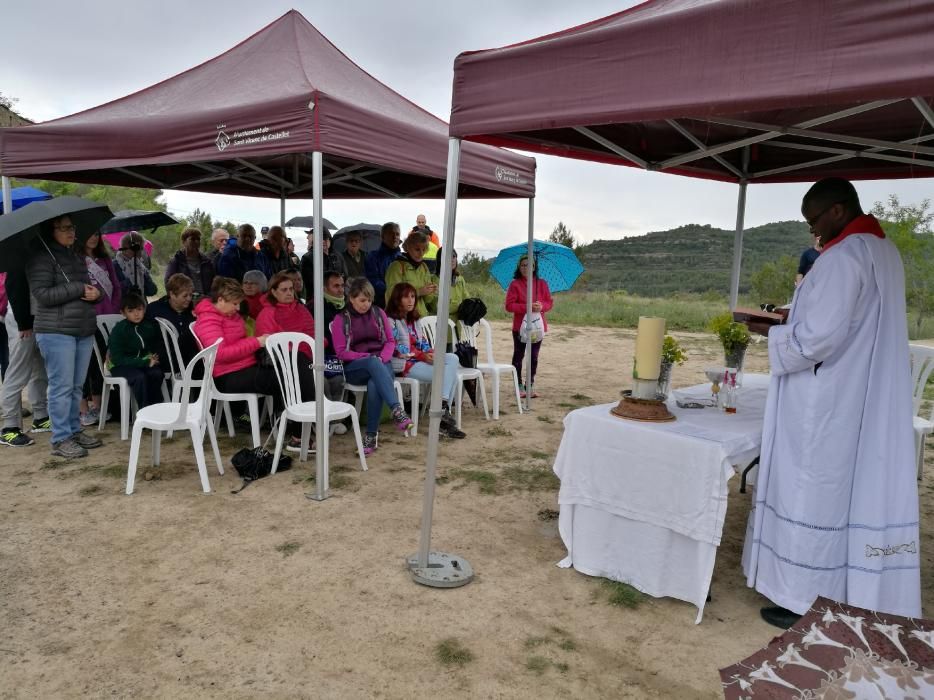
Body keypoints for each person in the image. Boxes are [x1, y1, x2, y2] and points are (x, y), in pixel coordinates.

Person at [742, 178, 921, 628]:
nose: (814, 233)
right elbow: (848, 320)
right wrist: (795, 316)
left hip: (825, 400)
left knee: (812, 491)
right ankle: (844, 586)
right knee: (845, 492)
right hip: (860, 390)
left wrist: (774, 333)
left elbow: (818, 338)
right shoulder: (881, 251)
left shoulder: (842, 258)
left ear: (838, 210)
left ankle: (803, 597)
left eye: (815, 221)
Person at [193, 277, 312, 452]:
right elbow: (221, 354)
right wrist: (257, 343)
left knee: (295, 364)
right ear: (220, 300)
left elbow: (237, 343)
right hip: (228, 376)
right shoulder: (208, 321)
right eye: (234, 304)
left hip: (243, 367)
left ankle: (295, 427)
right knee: (288, 377)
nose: (238, 308)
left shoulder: (228, 315)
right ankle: (299, 432)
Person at [27, 214, 103, 458]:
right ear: (51, 231)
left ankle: (73, 430)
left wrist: (96, 295)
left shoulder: (75, 256)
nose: (71, 232)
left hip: (81, 328)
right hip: (55, 331)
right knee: (61, 386)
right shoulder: (40, 257)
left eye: (72, 228)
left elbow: (88, 288)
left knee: (76, 386)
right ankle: (60, 438)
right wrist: (79, 289)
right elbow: (43, 295)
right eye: (65, 228)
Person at [330, 278, 413, 455]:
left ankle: (371, 436)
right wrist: (368, 357)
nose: (366, 304)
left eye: (369, 300)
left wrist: (382, 358)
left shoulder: (379, 313)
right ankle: (397, 410)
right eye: (362, 300)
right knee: (373, 366)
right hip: (355, 366)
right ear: (351, 298)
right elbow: (341, 353)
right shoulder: (341, 319)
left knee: (375, 383)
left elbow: (390, 341)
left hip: (382, 362)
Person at [386, 283, 465, 439]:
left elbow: (422, 342)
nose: (410, 300)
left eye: (413, 296)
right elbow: (396, 348)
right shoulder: (391, 320)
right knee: (451, 374)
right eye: (406, 297)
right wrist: (423, 356)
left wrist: (431, 353)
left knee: (452, 358)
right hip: (404, 365)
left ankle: (441, 411)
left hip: (420, 361)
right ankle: (442, 417)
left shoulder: (414, 319)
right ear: (397, 299)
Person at [256, 271, 344, 401]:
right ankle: (322, 419)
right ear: (274, 292)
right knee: (321, 383)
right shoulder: (267, 313)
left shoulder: (301, 309)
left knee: (337, 379)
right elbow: (270, 345)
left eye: (291, 289)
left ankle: (333, 418)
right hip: (282, 363)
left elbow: (313, 333)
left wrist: (321, 342)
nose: (289, 292)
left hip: (310, 358)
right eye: (284, 290)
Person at [0, 265, 50, 447]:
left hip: (38, 317)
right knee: (18, 371)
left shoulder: (39, 249)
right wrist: (23, 322)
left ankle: (41, 416)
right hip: (22, 320)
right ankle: (9, 428)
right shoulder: (20, 253)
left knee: (39, 369)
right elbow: (14, 286)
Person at [77, 230, 122, 427]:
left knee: (100, 363)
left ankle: (98, 406)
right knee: (83, 365)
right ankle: (83, 409)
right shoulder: (76, 259)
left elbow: (116, 286)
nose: (93, 237)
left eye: (97, 234)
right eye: (90, 234)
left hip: (106, 318)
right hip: (85, 318)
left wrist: (114, 310)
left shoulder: (105, 259)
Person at [505, 255, 553, 399]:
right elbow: (509, 306)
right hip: (520, 327)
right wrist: (527, 307)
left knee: (533, 357)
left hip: (537, 327)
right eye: (523, 265)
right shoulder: (515, 284)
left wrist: (541, 306)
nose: (526, 268)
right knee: (518, 356)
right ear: (519, 268)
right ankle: (518, 384)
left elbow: (549, 302)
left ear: (534, 267)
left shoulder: (542, 283)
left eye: (529, 265)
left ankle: (530, 384)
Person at [107, 294, 165, 409]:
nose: (136, 314)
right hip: (120, 365)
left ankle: (156, 410)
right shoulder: (119, 330)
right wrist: (144, 362)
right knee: (139, 377)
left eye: (139, 309)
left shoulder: (148, 326)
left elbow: (156, 346)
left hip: (141, 363)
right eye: (131, 311)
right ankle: (143, 413)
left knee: (156, 373)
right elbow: (117, 359)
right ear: (123, 313)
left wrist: (155, 358)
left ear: (144, 309)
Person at [147, 273, 198, 366]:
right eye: (185, 296)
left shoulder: (194, 310)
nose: (189, 299)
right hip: (165, 357)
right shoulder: (154, 310)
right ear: (172, 294)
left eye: (191, 295)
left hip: (191, 358)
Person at [385, 230, 438, 317]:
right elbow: (392, 296)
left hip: (421, 319)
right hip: (402, 319)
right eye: (417, 249)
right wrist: (418, 292)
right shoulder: (396, 267)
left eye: (424, 249)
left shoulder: (424, 267)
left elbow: (428, 301)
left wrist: (431, 291)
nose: (421, 253)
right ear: (408, 247)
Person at [165, 227, 215, 300]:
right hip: (184, 301)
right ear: (184, 241)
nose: (196, 242)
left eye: (198, 239)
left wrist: (210, 297)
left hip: (205, 301)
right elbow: (168, 283)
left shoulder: (207, 261)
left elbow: (213, 282)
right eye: (192, 239)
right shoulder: (176, 261)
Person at [301, 229, 344, 303]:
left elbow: (345, 275)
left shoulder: (338, 256)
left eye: (326, 238)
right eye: (320, 238)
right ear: (315, 241)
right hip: (316, 301)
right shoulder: (308, 258)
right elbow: (310, 282)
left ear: (330, 240)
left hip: (338, 300)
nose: (323, 241)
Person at [365, 222, 401, 308]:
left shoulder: (403, 258)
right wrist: (392, 292)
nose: (395, 237)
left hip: (401, 302)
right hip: (380, 303)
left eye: (397, 234)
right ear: (382, 237)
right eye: (391, 233)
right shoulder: (372, 256)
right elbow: (373, 280)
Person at [115, 231, 157, 300]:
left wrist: (144, 277)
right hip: (123, 309)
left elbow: (152, 291)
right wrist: (130, 282)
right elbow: (113, 292)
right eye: (139, 248)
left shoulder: (140, 266)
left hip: (140, 307)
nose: (141, 252)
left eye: (142, 248)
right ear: (126, 249)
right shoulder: (114, 266)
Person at [437, 247, 468, 323]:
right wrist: (459, 306)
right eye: (448, 257)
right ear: (441, 260)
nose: (452, 259)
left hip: (457, 324)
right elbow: (437, 306)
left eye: (454, 256)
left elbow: (466, 298)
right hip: (441, 324)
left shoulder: (460, 279)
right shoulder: (435, 279)